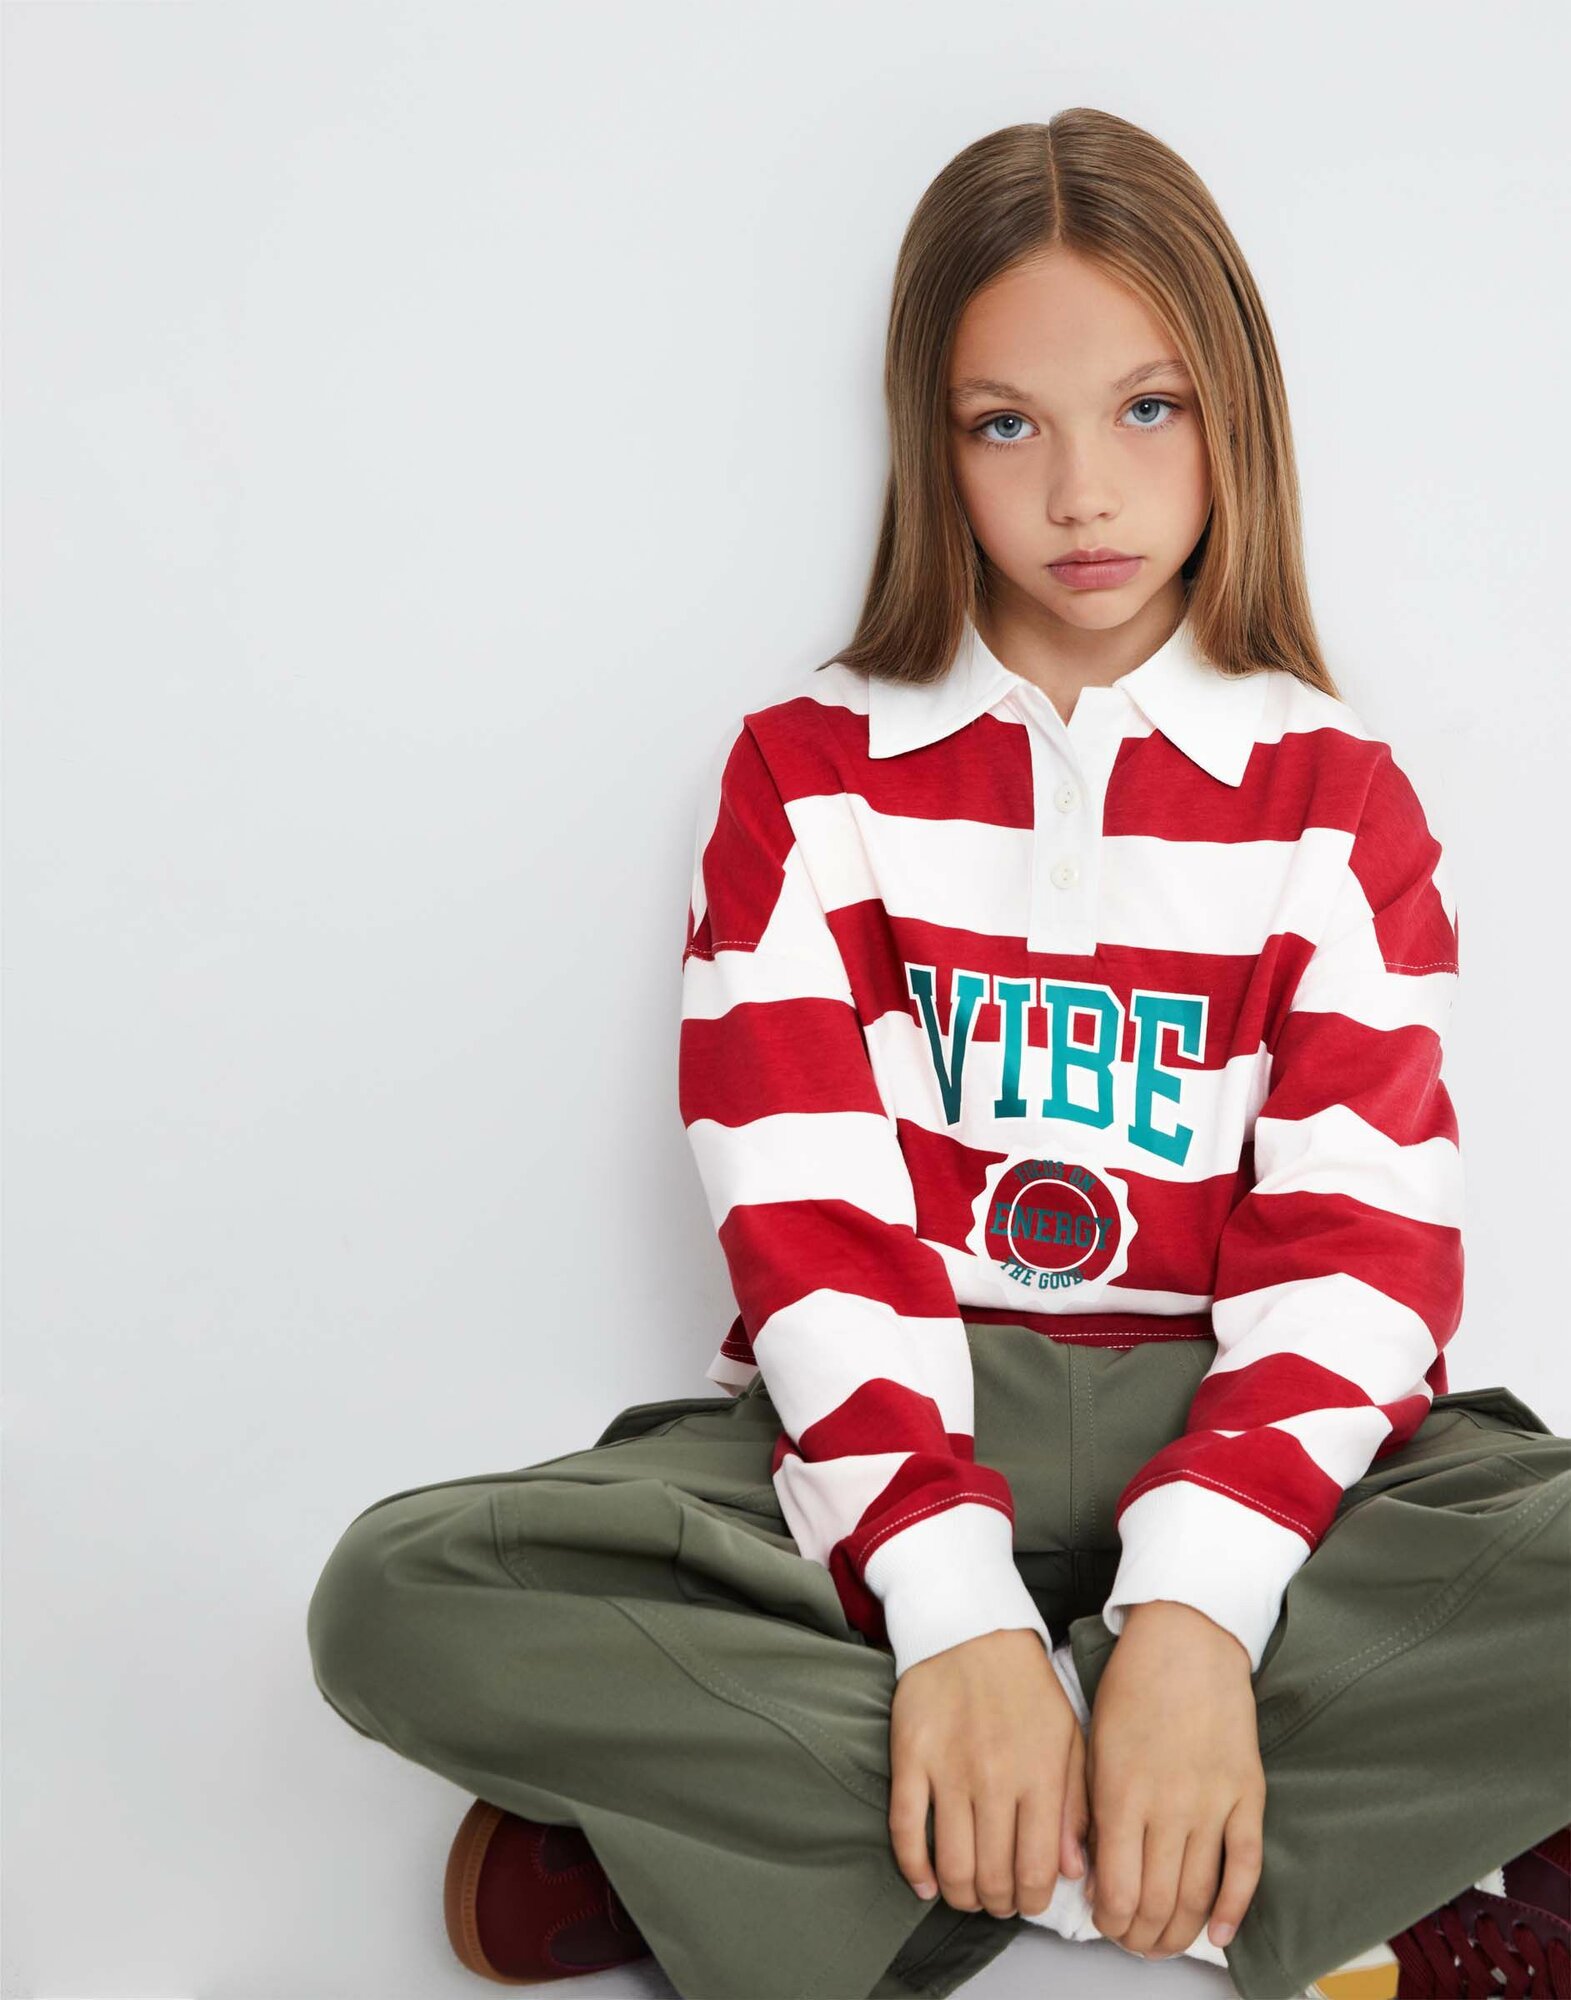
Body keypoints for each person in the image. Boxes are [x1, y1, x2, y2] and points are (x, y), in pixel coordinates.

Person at [305, 108, 1571, 2000]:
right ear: (932, 439)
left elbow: (1359, 1256)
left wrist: (1197, 1616)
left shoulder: (1334, 794)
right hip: (895, 1416)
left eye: (1147, 409)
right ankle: (1260, 1861)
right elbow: (811, 1230)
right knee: (397, 1597)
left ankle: (782, 1849)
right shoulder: (807, 774)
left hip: (1238, 1425)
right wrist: (952, 1607)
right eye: (1006, 425)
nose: (1083, 491)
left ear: (1235, 408)